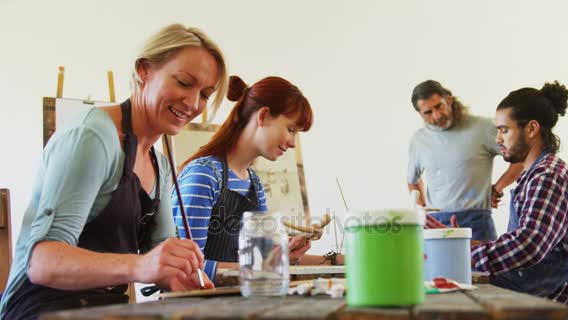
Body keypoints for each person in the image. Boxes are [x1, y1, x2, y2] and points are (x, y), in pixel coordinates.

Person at [0, 23, 227, 319]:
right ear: (144, 71)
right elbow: (43, 263)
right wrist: (143, 265)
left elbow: (160, 251)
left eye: (206, 94)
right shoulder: (93, 137)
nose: (194, 103)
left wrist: (179, 274)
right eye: (184, 82)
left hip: (104, 309)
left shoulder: (159, 164)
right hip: (42, 308)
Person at [428, 81, 568, 319]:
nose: (498, 139)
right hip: (530, 293)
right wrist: (458, 242)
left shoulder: (548, 176)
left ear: (532, 129)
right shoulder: (534, 175)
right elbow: (521, 241)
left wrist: (461, 254)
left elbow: (527, 245)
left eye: (504, 130)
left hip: (549, 303)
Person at [174, 75, 343, 283]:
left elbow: (261, 261)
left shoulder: (253, 183)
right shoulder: (204, 176)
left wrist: (336, 262)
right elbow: (187, 269)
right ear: (263, 116)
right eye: (290, 129)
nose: (292, 143)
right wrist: (266, 268)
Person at [408, 80, 522, 240]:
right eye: (428, 112)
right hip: (435, 225)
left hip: (476, 222)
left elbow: (520, 157)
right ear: (420, 114)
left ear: (448, 100)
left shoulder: (483, 127)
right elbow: (413, 181)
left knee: (483, 266)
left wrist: (498, 188)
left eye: (439, 106)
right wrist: (421, 214)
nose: (437, 115)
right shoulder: (419, 140)